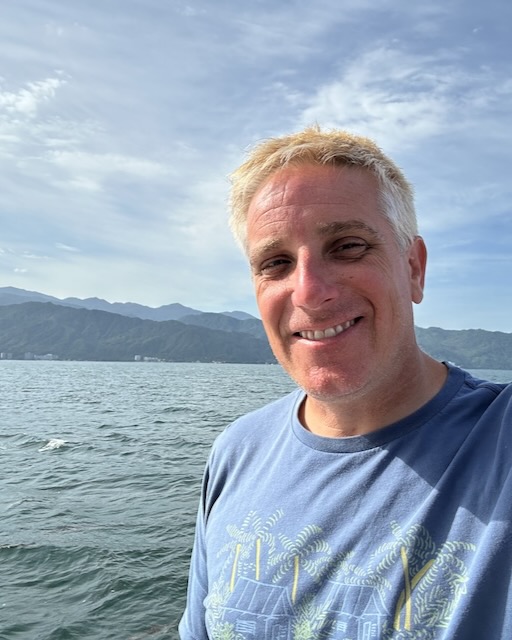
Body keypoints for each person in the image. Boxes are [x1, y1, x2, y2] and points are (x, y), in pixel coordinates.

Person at [179, 127, 512, 639]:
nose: (309, 292)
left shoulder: (500, 441)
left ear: (414, 268)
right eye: (276, 263)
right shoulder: (235, 452)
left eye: (348, 247)